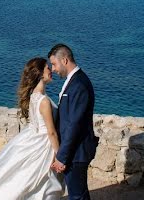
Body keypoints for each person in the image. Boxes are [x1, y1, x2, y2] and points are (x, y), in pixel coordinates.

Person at [0, 57, 64, 200]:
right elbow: (51, 132)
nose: (51, 70)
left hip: (31, 139)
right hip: (43, 144)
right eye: (48, 68)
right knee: (41, 183)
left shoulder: (33, 96)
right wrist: (60, 155)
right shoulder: (44, 101)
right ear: (40, 73)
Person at [49, 43, 98, 200]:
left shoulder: (79, 85)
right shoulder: (75, 81)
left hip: (77, 151)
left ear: (64, 60)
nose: (53, 69)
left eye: (54, 64)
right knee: (79, 193)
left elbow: (74, 124)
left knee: (77, 195)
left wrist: (62, 157)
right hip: (74, 150)